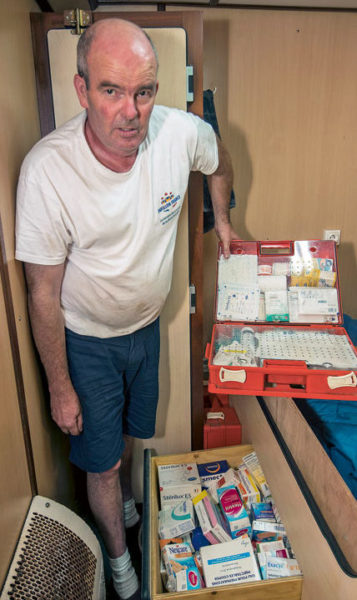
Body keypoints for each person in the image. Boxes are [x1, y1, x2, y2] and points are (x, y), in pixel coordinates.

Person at [16, 18, 237, 600]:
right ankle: (118, 561)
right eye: (112, 90)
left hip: (146, 332)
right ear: (81, 88)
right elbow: (41, 292)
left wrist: (225, 223)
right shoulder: (47, 172)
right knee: (103, 463)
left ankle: (127, 511)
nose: (131, 111)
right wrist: (60, 386)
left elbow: (218, 161)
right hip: (85, 341)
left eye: (144, 91)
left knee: (133, 439)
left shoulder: (179, 133)